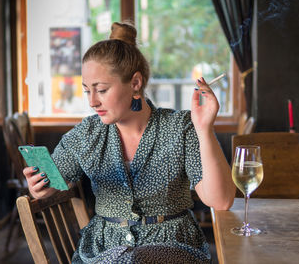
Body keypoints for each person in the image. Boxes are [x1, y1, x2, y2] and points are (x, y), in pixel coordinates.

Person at [23, 21, 236, 263]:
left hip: (174, 247)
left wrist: (204, 129)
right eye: (86, 91)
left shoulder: (181, 127)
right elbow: (52, 182)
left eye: (101, 90)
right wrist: (39, 186)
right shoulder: (87, 134)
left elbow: (221, 201)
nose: (92, 101)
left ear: (135, 83)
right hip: (104, 251)